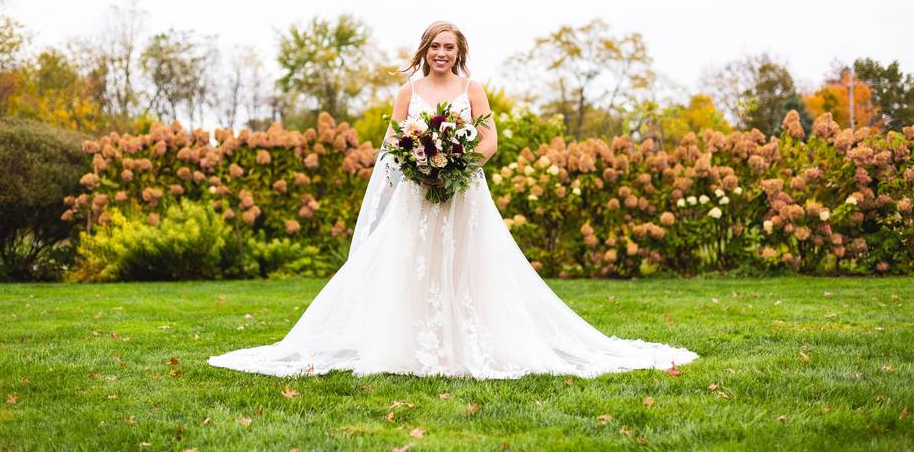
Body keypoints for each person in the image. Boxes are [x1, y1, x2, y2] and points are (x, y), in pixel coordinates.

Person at [207, 21, 699, 379]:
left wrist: (459, 164)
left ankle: (463, 344)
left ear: (459, 53)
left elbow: (489, 140)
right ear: (424, 50)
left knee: (464, 264)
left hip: (465, 192)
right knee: (414, 264)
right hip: (417, 195)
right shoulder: (409, 90)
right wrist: (421, 164)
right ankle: (414, 345)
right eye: (435, 46)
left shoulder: (471, 88)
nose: (442, 53)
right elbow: (394, 142)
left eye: (450, 47)